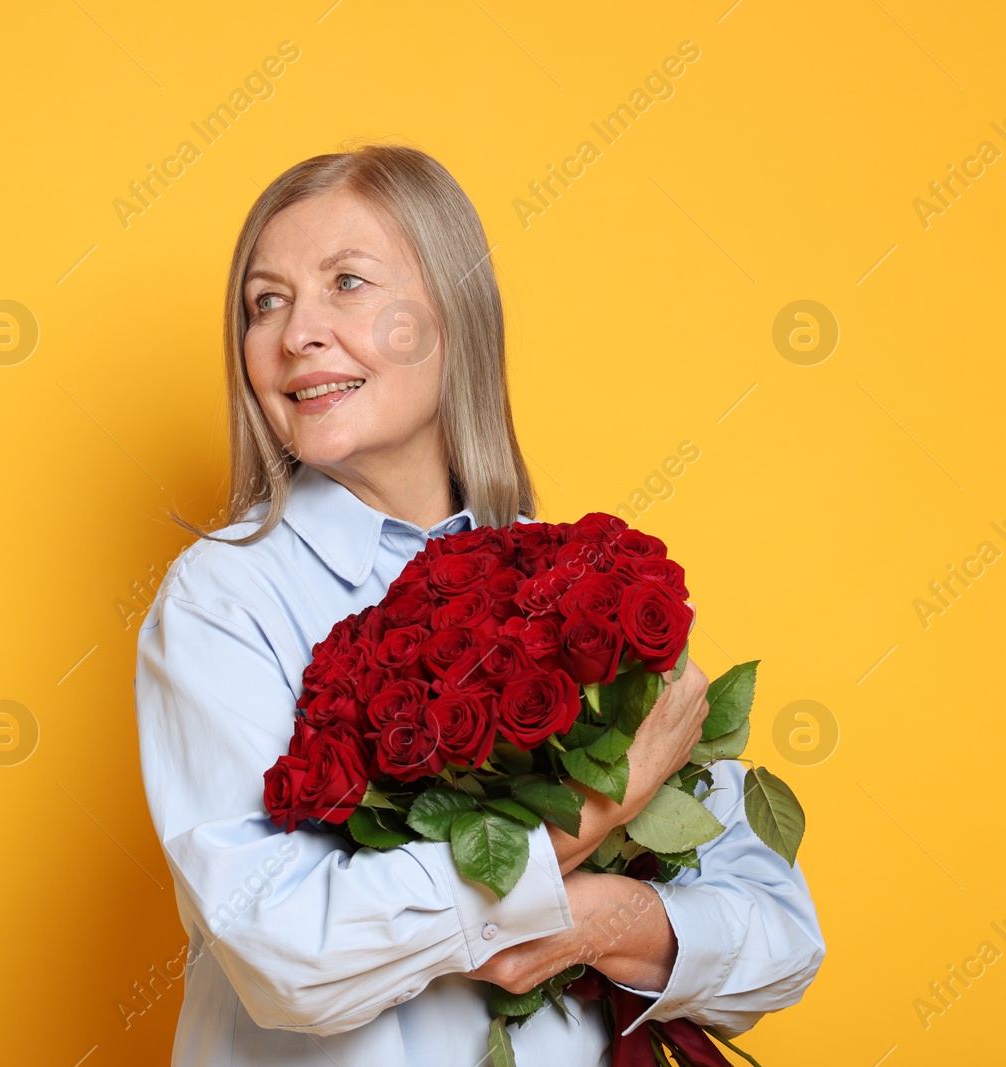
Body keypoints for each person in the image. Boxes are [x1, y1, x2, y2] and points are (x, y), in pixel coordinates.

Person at [132, 143, 824, 1065]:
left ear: (454, 313)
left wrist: (597, 921)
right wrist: (588, 817)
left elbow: (782, 935)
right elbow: (282, 953)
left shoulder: (580, 589)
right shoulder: (227, 594)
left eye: (346, 281)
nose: (297, 331)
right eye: (266, 301)